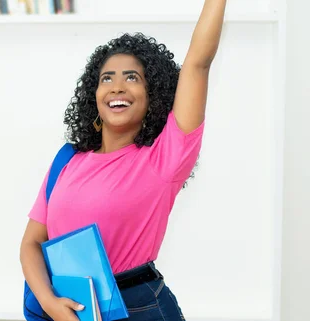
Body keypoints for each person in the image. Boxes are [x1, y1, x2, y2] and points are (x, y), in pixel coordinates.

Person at [19, 1, 226, 320]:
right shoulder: (67, 158)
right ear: (94, 93)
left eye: (132, 78)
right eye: (107, 78)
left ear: (152, 93)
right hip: (65, 305)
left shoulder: (164, 159)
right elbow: (32, 242)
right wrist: (49, 303)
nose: (117, 87)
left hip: (137, 308)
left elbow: (198, 63)